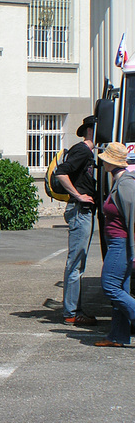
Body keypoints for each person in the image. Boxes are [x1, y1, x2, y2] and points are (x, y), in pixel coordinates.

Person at [54, 115, 97, 326]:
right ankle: (71, 313)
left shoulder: (88, 153)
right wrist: (78, 196)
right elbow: (61, 173)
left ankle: (75, 310)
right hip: (80, 210)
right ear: (92, 130)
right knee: (76, 264)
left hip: (83, 211)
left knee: (79, 263)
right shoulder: (82, 150)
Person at [95, 142, 135, 347]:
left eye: (105, 159)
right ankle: (118, 337)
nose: (102, 162)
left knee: (110, 286)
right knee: (121, 289)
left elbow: (133, 220)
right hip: (116, 242)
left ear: (112, 162)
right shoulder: (118, 180)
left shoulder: (126, 184)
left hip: (121, 244)